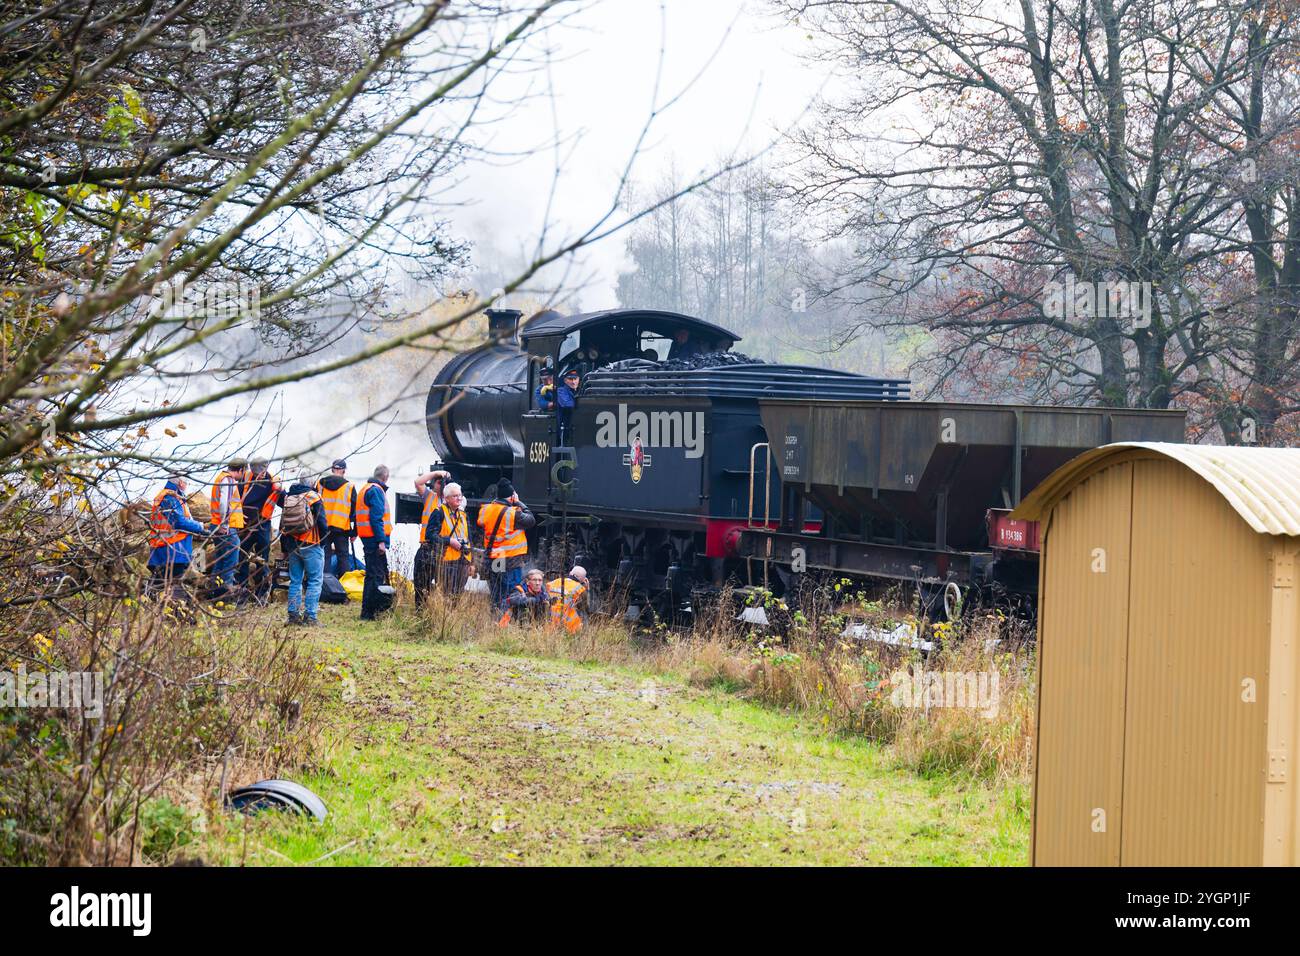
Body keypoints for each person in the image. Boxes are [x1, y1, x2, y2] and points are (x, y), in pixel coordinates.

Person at [277, 472, 328, 626]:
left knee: (295, 581)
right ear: (312, 483)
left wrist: (284, 547)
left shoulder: (289, 497)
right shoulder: (314, 497)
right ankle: (310, 617)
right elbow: (323, 523)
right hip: (311, 543)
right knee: (314, 581)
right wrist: (323, 542)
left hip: (292, 544)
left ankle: (293, 616)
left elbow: (282, 524)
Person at [146, 474, 206, 600]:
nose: (187, 485)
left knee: (163, 581)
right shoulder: (170, 497)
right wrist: (200, 526)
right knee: (173, 582)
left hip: (168, 548)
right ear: (180, 483)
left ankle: (148, 599)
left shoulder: (173, 497)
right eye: (186, 482)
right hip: (172, 548)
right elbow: (179, 522)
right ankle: (181, 610)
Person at [478, 479, 535, 609]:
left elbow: (482, 523)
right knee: (511, 592)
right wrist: (518, 502)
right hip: (511, 560)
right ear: (511, 497)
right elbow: (531, 520)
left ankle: (496, 618)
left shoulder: (486, 509)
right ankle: (505, 620)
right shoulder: (513, 513)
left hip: (495, 557)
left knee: (496, 590)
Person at [236, 456, 279, 603]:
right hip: (245, 525)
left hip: (262, 526)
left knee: (263, 560)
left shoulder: (272, 482)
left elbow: (282, 501)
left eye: (260, 470)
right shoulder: (245, 478)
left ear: (265, 468)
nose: (257, 473)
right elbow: (236, 497)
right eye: (254, 470)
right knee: (242, 558)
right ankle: (241, 592)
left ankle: (262, 594)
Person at [356, 465, 393, 621]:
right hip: (374, 539)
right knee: (376, 576)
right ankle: (371, 613)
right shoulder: (377, 490)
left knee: (371, 575)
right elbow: (376, 518)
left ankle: (367, 612)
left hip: (366, 537)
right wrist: (381, 541)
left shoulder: (365, 488)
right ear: (385, 477)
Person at [207, 456, 248, 600]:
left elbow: (228, 504)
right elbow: (224, 504)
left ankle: (214, 592)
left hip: (218, 525)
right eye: (244, 472)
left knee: (221, 559)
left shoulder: (221, 477)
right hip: (225, 527)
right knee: (230, 562)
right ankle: (225, 596)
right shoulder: (229, 480)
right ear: (241, 469)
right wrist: (224, 524)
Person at [412, 467, 451, 605]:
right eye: (438, 482)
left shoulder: (451, 501)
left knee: (445, 587)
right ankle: (421, 611)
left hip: (444, 550)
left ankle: (438, 613)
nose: (440, 485)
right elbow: (418, 482)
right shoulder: (429, 496)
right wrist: (436, 473)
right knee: (421, 584)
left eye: (443, 483)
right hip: (427, 547)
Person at [315, 459, 357, 578]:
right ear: (344, 470)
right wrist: (355, 532)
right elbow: (356, 511)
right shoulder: (350, 487)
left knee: (324, 556)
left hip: (323, 527)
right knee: (343, 558)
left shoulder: (320, 484)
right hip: (342, 528)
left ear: (332, 469)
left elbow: (313, 503)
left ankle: (324, 587)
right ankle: (344, 587)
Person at [429, 481, 473, 594]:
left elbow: (469, 540)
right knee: (447, 595)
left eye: (460, 495)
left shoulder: (463, 515)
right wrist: (449, 541)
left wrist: (471, 563)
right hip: (447, 562)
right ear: (446, 498)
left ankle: (455, 612)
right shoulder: (439, 512)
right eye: (455, 496)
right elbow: (430, 535)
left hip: (463, 561)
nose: (459, 498)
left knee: (458, 595)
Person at [546, 565, 589, 634]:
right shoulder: (580, 588)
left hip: (549, 621)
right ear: (583, 579)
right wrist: (586, 589)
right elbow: (585, 608)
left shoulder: (553, 582)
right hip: (568, 625)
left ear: (570, 573)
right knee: (583, 615)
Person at [556, 369, 579, 445]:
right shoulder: (561, 391)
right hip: (566, 426)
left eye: (575, 379)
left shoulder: (579, 390)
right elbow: (567, 404)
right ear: (565, 381)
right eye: (570, 379)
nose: (573, 382)